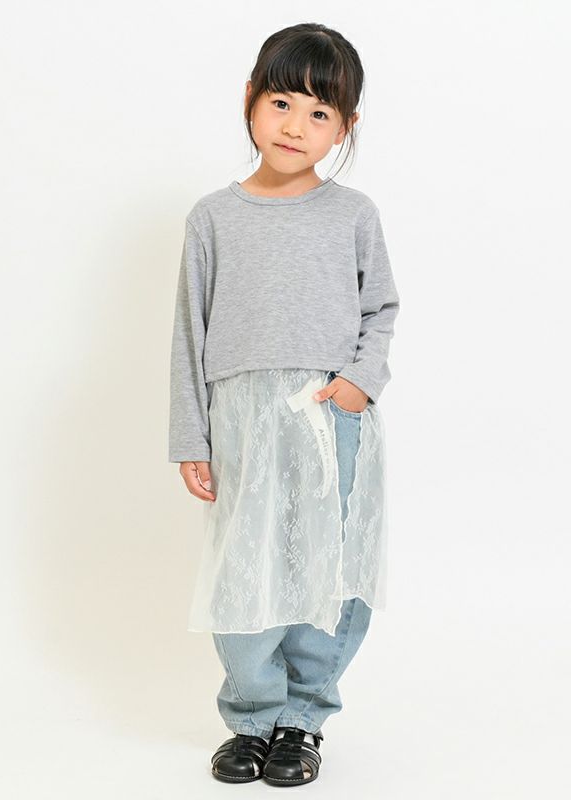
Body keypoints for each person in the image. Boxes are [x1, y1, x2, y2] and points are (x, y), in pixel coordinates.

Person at [168, 22, 400, 787]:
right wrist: (191, 436)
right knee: (246, 570)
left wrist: (361, 380)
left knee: (326, 569)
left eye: (319, 112)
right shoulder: (213, 217)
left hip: (329, 416)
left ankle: (304, 717)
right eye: (281, 103)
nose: (296, 126)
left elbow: (380, 309)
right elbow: (189, 330)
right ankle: (252, 716)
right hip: (241, 422)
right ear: (250, 99)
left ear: (346, 126)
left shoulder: (353, 213)